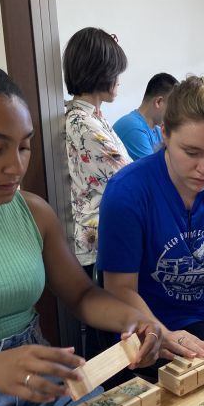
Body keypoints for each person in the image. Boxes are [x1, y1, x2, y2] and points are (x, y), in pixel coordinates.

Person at [0, 67, 162, 406]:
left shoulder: (33, 213)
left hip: (50, 392)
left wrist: (136, 319)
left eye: (24, 146)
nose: (15, 167)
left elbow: (83, 294)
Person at [98, 75, 204, 361]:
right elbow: (119, 289)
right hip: (156, 319)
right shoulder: (127, 192)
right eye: (191, 152)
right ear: (165, 133)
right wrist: (160, 332)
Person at [63, 27, 132, 276]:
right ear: (100, 72)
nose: (118, 80)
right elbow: (130, 175)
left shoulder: (92, 117)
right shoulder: (83, 123)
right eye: (115, 72)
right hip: (98, 243)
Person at [114, 72, 178, 160]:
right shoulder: (133, 128)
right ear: (158, 102)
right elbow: (154, 171)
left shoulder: (157, 130)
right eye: (174, 107)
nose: (175, 114)